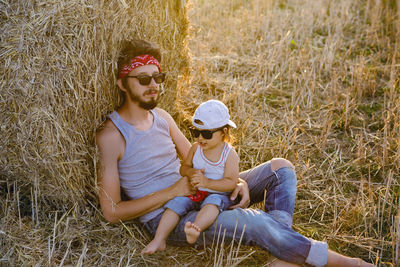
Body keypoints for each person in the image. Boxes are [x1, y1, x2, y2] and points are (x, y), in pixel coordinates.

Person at [96, 39, 374, 267]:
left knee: (280, 169)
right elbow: (111, 211)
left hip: (201, 191)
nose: (153, 85)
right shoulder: (112, 137)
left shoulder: (162, 117)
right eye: (143, 79)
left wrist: (238, 182)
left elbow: (195, 158)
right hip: (170, 216)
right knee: (250, 222)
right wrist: (173, 192)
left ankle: (282, 250)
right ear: (122, 83)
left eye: (158, 77)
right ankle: (347, 263)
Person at [142, 100, 240, 254]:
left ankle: (196, 229)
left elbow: (231, 182)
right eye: (196, 132)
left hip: (217, 193)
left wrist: (208, 182)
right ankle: (159, 239)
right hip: (195, 191)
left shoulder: (229, 155)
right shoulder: (196, 148)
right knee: (176, 203)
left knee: (212, 204)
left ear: (224, 132)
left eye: (206, 134)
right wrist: (190, 173)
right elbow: (184, 168)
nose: (200, 138)